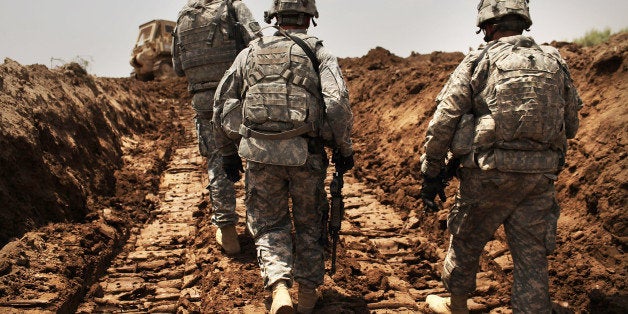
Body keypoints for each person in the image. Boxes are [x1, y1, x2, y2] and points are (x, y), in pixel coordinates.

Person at [420, 0, 582, 313]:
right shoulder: (554, 59)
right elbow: (571, 124)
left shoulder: (479, 59)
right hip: (540, 176)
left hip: (488, 172)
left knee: (466, 238)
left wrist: (432, 169)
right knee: (532, 252)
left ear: (488, 25)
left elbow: (445, 119)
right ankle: (532, 308)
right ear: (524, 21)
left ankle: (456, 304)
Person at [213, 0, 354, 312]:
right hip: (306, 154)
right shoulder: (319, 53)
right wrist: (344, 148)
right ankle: (306, 295)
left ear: (274, 16)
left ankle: (279, 288)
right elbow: (337, 103)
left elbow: (221, 103)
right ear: (310, 17)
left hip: (260, 155)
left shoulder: (248, 52)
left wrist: (227, 152)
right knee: (310, 223)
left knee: (268, 223)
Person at [172, 0, 261, 255]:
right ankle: (258, 225)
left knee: (218, 163)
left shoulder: (183, 17)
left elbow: (178, 68)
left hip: (204, 103)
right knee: (255, 161)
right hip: (240, 99)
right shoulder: (234, 8)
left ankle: (227, 229)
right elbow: (260, 49)